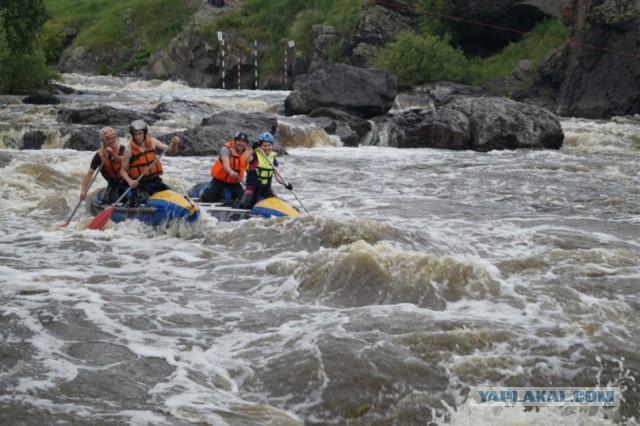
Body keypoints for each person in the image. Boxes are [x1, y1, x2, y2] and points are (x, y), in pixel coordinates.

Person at [119, 120, 181, 206]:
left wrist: (174, 144)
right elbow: (122, 171)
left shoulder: (152, 142)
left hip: (156, 181)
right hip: (140, 184)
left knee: (172, 196)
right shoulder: (128, 150)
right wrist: (130, 181)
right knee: (141, 200)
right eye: (135, 134)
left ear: (144, 133)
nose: (137, 137)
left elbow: (172, 151)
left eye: (140, 134)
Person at [239, 131, 292, 209]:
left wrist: (286, 184)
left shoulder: (273, 159)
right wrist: (252, 149)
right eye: (264, 146)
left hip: (266, 189)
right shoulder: (254, 155)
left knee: (277, 205)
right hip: (252, 188)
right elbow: (246, 160)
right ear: (260, 146)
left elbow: (278, 178)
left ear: (272, 145)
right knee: (244, 204)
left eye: (269, 145)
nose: (267, 148)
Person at [80, 127, 128, 204]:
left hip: (127, 180)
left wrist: (113, 154)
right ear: (104, 141)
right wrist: (83, 190)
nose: (114, 140)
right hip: (113, 184)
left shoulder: (122, 148)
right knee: (109, 200)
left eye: (114, 137)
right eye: (110, 138)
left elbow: (123, 161)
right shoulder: (99, 155)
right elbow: (90, 173)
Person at [200, 131, 250, 203]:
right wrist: (231, 172)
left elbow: (251, 168)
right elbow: (226, 165)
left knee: (244, 201)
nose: (241, 144)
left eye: (244, 142)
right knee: (206, 198)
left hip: (234, 182)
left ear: (246, 143)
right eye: (239, 141)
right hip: (219, 180)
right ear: (235, 141)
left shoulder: (247, 153)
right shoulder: (226, 149)